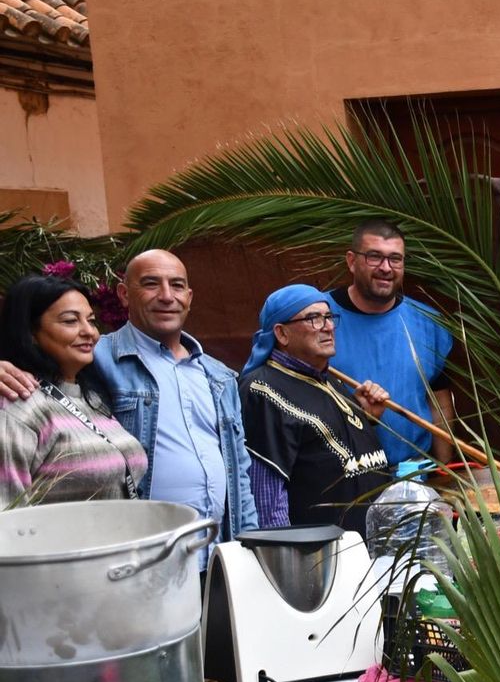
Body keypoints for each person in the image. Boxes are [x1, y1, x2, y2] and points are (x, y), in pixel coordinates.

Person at [0, 251, 258, 545]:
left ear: (189, 295)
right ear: (124, 294)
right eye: (150, 283)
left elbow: (239, 471)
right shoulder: (99, 359)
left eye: (176, 285)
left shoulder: (220, 376)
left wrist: (247, 544)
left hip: (213, 549)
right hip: (125, 557)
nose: (166, 296)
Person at [240, 284, 392, 533]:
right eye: (313, 318)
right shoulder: (262, 389)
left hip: (369, 547)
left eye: (329, 317)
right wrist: (282, 553)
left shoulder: (330, 379)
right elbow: (267, 496)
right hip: (319, 556)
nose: (328, 327)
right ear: (282, 333)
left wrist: (365, 417)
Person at [0, 275, 147, 506]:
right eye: (70, 321)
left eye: (91, 320)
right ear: (30, 333)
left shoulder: (93, 399)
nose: (89, 331)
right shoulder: (17, 404)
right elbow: (7, 513)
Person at [326, 220, 454, 467]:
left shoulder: (428, 322)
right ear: (352, 261)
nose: (386, 267)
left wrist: (444, 471)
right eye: (374, 257)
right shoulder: (318, 317)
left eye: (395, 259)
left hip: (414, 474)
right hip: (341, 476)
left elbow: (439, 401)